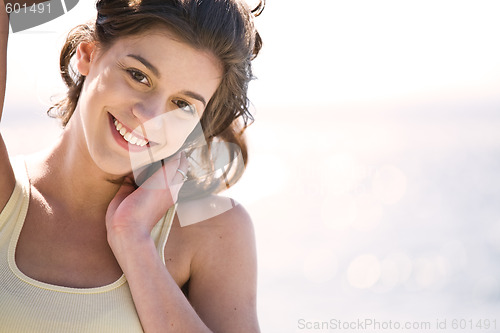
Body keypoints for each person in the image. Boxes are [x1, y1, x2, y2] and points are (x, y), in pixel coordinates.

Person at [0, 0, 263, 332]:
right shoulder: (6, 197)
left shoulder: (214, 231)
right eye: (139, 75)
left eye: (182, 105)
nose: (150, 117)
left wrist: (134, 241)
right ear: (88, 53)